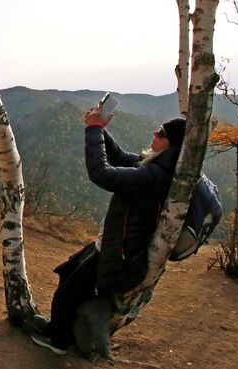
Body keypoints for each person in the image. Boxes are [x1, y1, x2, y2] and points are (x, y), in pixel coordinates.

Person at [31, 107, 187, 356]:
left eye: (161, 133)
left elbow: (101, 174)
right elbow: (119, 157)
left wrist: (94, 130)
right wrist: (99, 129)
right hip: (111, 244)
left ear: (172, 146)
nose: (154, 132)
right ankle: (57, 327)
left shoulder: (154, 177)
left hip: (118, 254)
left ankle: (58, 340)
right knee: (67, 274)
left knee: (67, 294)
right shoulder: (154, 166)